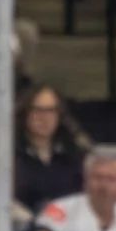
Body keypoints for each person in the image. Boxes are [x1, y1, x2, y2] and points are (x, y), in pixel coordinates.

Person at [12, 84, 89, 220]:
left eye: (51, 111)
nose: (44, 117)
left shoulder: (75, 154)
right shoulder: (7, 155)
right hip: (23, 229)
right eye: (37, 110)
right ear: (25, 113)